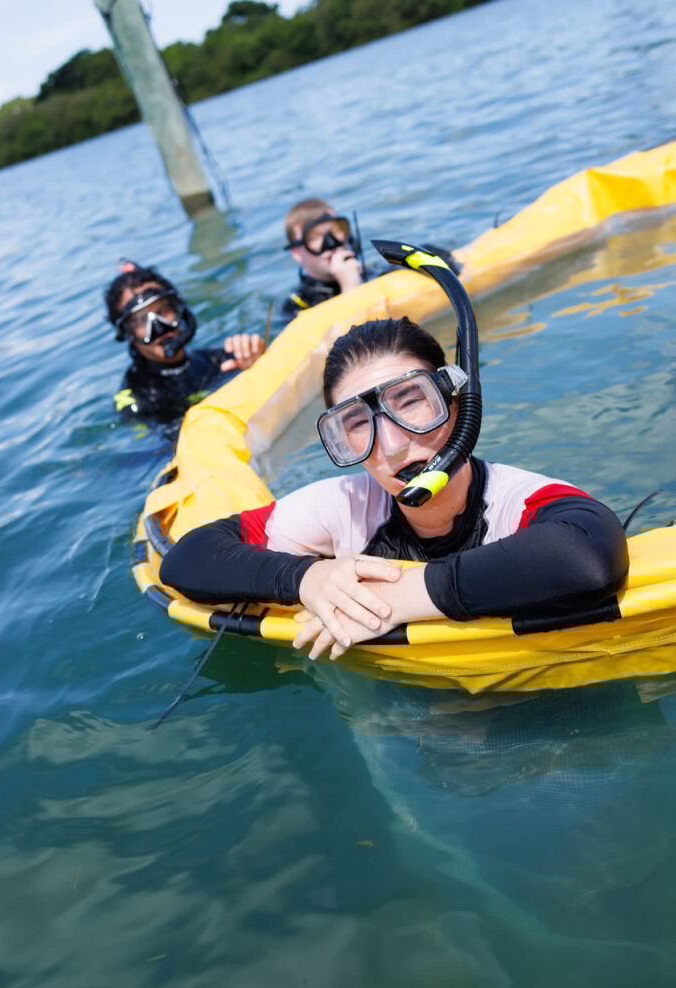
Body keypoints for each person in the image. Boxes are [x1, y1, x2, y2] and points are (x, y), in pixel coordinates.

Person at [160, 316, 628, 661]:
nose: (392, 442)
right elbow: (188, 559)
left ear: (457, 402)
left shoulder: (515, 501)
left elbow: (588, 556)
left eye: (411, 402)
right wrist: (307, 578)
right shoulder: (343, 506)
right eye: (357, 425)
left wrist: (397, 598)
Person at [106, 262, 265, 428]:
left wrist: (255, 364)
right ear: (127, 334)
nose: (159, 327)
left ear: (179, 310)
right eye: (141, 321)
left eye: (163, 311)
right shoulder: (136, 401)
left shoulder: (220, 360)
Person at [281, 198, 461, 323]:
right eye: (315, 237)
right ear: (296, 252)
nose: (331, 243)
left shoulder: (370, 271)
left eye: (337, 230)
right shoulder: (296, 307)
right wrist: (350, 286)